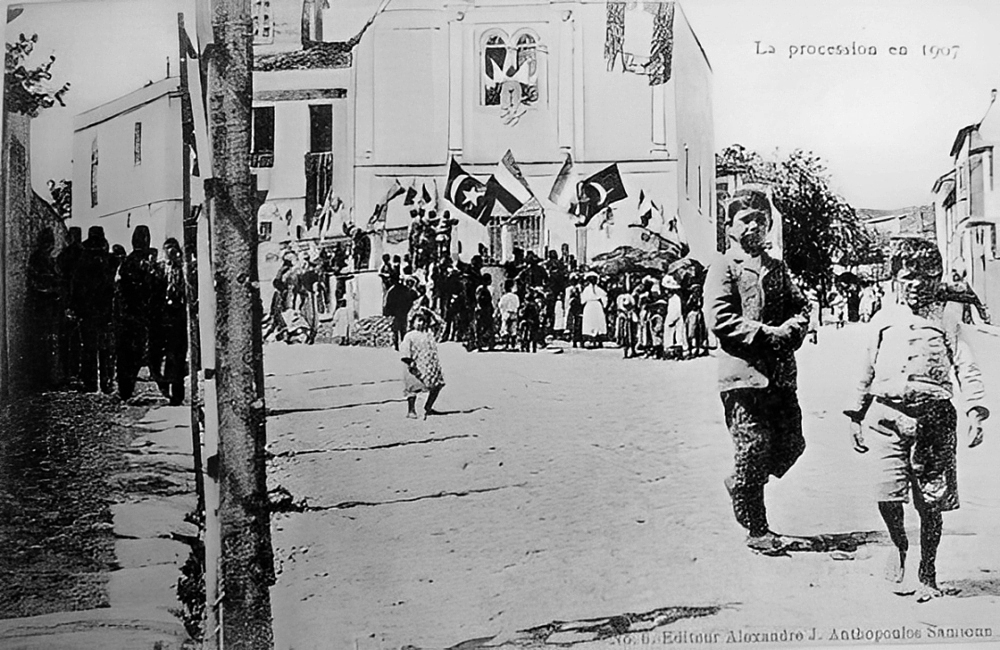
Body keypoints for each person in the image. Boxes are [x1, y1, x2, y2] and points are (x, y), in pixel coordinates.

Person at [845, 237, 987, 603]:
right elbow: (866, 367)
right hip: (886, 419)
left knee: (931, 502)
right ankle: (899, 544)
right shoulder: (884, 319)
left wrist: (975, 410)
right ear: (896, 279)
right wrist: (855, 414)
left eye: (924, 277)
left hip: (935, 422)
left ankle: (928, 571)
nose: (915, 285)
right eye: (907, 276)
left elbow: (966, 367)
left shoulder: (947, 320)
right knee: (886, 493)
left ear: (936, 278)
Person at [705, 188, 810, 554]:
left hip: (780, 375)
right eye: (746, 219)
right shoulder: (724, 266)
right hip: (743, 377)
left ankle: (742, 483)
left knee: (792, 444)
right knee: (753, 449)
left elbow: (800, 306)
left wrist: (794, 329)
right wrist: (768, 334)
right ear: (730, 226)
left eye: (761, 219)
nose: (755, 225)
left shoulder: (777, 267)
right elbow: (720, 320)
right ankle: (757, 530)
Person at [72, 226, 117, 394]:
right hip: (104, 310)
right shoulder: (109, 260)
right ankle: (106, 383)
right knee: (105, 349)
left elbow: (76, 288)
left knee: (89, 348)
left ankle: (91, 383)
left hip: (89, 311)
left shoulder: (83, 260)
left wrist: (76, 308)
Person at [115, 225, 158, 400]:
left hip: (127, 314)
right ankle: (126, 389)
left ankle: (125, 390)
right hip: (137, 313)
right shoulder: (141, 261)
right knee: (133, 353)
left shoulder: (126, 262)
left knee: (127, 354)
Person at [149, 238, 188, 406]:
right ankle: (163, 384)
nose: (170, 253)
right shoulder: (158, 268)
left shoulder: (184, 269)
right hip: (160, 317)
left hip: (177, 317)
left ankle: (177, 394)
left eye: (173, 249)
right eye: (167, 249)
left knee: (176, 356)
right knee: (155, 357)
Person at [27, 227, 62, 389]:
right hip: (41, 306)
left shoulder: (48, 259)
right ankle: (43, 380)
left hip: (48, 307)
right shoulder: (38, 259)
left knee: (49, 343)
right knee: (43, 344)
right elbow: (37, 282)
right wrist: (52, 287)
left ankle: (48, 378)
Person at [401, 307, 446, 419]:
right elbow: (405, 351)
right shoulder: (409, 336)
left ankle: (428, 407)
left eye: (423, 321)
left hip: (429, 366)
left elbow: (441, 324)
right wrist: (409, 361)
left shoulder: (429, 334)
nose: (421, 323)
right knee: (413, 388)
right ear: (413, 322)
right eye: (418, 321)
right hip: (415, 365)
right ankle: (411, 410)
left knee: (437, 385)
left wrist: (430, 312)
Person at [384, 276, 417, 351]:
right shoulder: (404, 291)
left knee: (398, 330)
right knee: (401, 330)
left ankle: (398, 346)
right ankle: (400, 345)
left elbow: (389, 302)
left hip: (399, 313)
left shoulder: (395, 290)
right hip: (401, 313)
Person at [661, 275, 688, 360]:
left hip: (675, 319)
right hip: (673, 319)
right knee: (673, 336)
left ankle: (676, 353)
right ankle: (671, 353)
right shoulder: (671, 299)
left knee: (677, 336)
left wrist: (669, 321)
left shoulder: (675, 298)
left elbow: (676, 312)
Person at [580, 272, 607, 348]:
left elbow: (604, 296)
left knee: (597, 322)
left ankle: (598, 340)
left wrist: (603, 304)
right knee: (590, 322)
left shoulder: (598, 289)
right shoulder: (588, 289)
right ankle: (592, 339)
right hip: (591, 306)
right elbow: (583, 300)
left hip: (595, 306)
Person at [498, 280, 520, 350]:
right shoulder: (515, 297)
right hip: (513, 313)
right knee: (513, 329)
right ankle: (513, 345)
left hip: (506, 313)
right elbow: (517, 305)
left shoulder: (504, 297)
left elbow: (500, 305)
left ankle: (506, 344)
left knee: (505, 328)